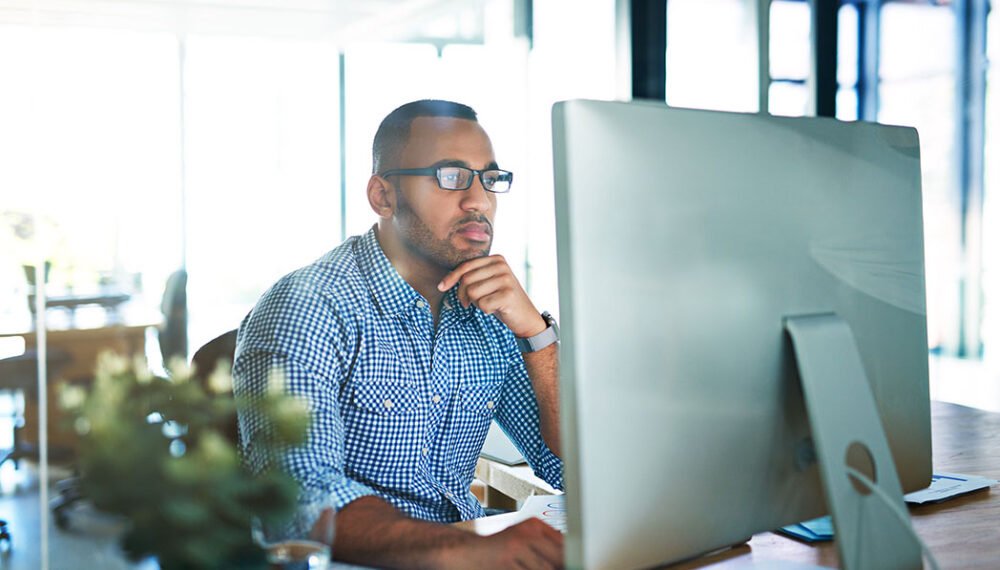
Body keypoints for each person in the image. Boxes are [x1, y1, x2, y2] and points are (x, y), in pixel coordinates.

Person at [234, 99, 564, 569]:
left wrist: (536, 333)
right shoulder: (309, 307)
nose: (478, 201)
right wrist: (467, 550)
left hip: (463, 550)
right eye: (450, 176)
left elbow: (571, 468)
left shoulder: (494, 311)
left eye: (489, 179)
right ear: (382, 196)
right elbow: (300, 503)